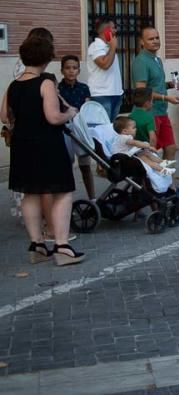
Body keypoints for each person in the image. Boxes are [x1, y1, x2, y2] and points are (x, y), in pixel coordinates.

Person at [2, 35, 85, 266]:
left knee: (30, 193)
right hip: (47, 144)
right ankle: (62, 246)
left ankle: (37, 245)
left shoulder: (14, 84)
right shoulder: (45, 83)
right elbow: (53, 117)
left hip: (22, 144)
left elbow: (4, 116)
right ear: (47, 58)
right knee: (62, 192)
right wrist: (70, 113)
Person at [131, 27, 179, 165]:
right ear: (142, 42)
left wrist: (169, 85)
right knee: (150, 152)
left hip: (161, 111)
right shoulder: (141, 61)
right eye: (150, 39)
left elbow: (154, 85)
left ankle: (167, 184)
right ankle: (151, 184)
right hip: (149, 113)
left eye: (157, 38)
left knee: (171, 148)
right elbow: (142, 92)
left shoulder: (157, 60)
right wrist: (167, 98)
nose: (155, 41)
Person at [58, 55, 95, 201]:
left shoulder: (84, 88)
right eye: (67, 68)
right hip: (65, 129)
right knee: (66, 166)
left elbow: (87, 108)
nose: (71, 71)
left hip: (81, 128)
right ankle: (66, 200)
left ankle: (92, 198)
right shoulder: (57, 89)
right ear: (62, 70)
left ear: (78, 70)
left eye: (74, 68)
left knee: (85, 165)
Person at [110, 115, 176, 175]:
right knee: (144, 158)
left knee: (145, 152)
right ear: (125, 131)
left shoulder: (124, 137)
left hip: (126, 156)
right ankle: (163, 170)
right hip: (122, 160)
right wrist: (149, 146)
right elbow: (136, 143)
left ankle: (162, 162)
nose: (136, 129)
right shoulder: (123, 137)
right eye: (133, 128)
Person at [86, 16, 123, 120]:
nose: (115, 31)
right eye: (113, 28)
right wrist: (112, 47)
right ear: (106, 30)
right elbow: (105, 64)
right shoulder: (95, 46)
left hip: (115, 94)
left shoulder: (108, 47)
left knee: (111, 129)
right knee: (102, 130)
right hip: (101, 95)